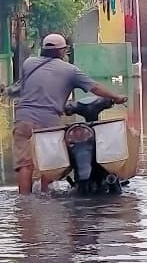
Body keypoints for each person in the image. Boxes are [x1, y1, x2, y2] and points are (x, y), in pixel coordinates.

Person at [11, 34, 127, 195]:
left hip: (22, 118)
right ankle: (45, 195)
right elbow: (95, 88)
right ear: (62, 51)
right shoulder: (70, 70)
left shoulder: (28, 64)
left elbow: (31, 88)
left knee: (25, 165)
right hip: (48, 120)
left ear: (43, 50)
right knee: (49, 163)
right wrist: (116, 98)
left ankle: (24, 203)